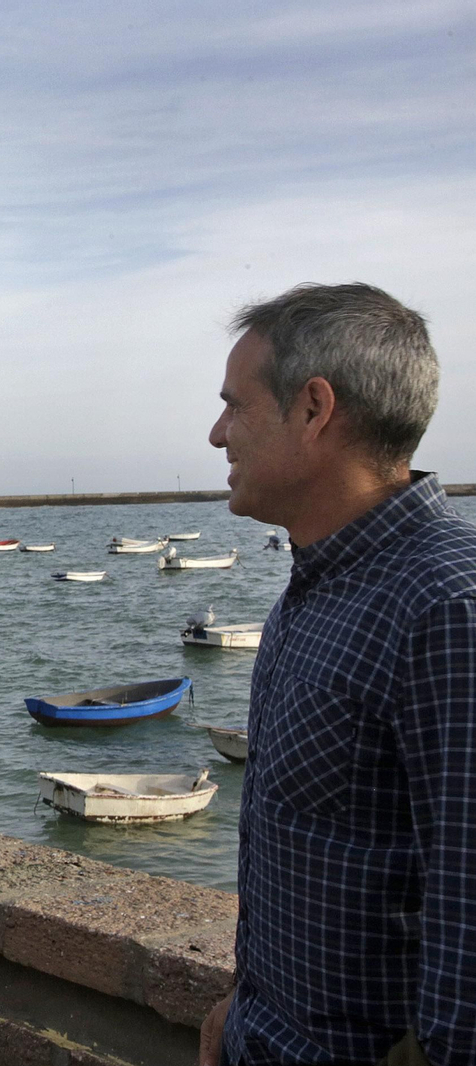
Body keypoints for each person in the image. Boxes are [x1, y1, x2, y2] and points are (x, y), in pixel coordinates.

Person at [197, 284, 475, 1066]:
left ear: (315, 409)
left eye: (235, 406)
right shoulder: (318, 585)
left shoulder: (447, 609)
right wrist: (240, 1007)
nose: (218, 433)